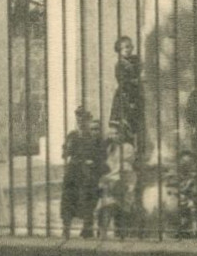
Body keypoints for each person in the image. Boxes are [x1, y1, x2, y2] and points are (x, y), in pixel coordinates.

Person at [60, 107, 105, 238]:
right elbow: (65, 153)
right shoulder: (72, 135)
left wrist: (93, 162)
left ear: (88, 120)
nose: (80, 122)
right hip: (73, 170)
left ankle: (87, 228)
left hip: (88, 172)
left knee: (87, 199)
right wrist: (68, 149)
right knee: (68, 198)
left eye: (83, 119)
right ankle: (66, 227)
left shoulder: (94, 137)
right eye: (78, 119)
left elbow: (101, 155)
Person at [97, 119, 138, 239]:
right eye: (112, 133)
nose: (113, 136)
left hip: (123, 180)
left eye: (116, 133)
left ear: (123, 134)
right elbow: (106, 164)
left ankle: (121, 235)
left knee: (122, 210)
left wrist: (111, 178)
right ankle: (102, 235)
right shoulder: (110, 148)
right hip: (110, 181)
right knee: (105, 208)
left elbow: (124, 166)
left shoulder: (127, 148)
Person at [109, 36, 147, 159]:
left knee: (139, 126)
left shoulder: (134, 61)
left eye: (130, 46)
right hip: (125, 97)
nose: (128, 49)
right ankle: (125, 155)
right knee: (126, 126)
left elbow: (142, 69)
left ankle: (138, 154)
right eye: (125, 47)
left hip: (136, 97)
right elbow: (124, 82)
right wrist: (137, 80)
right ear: (119, 49)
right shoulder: (120, 64)